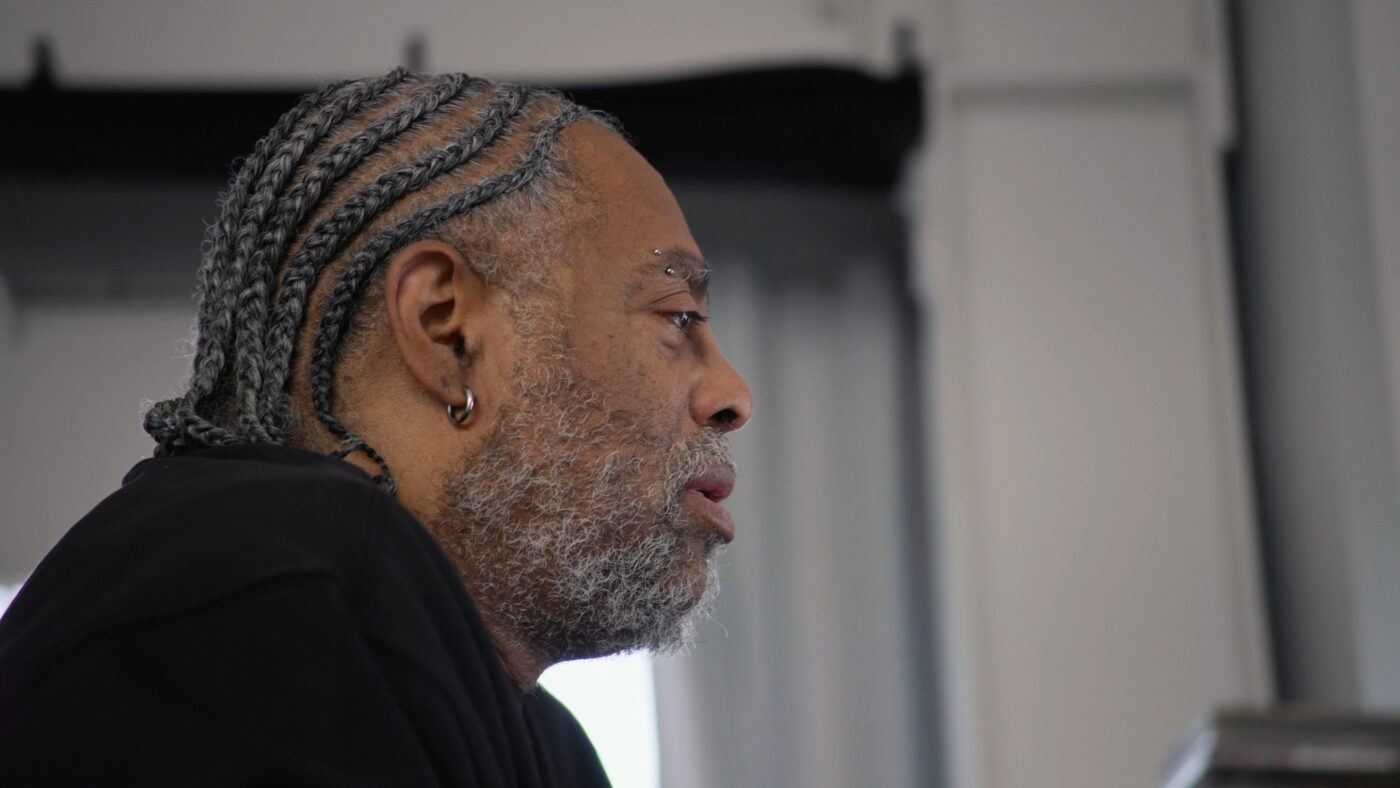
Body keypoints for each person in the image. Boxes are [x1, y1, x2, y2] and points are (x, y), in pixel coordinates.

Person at [0, 68, 752, 787]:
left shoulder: (536, 738)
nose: (732, 395)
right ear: (445, 330)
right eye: (676, 317)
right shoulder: (292, 591)